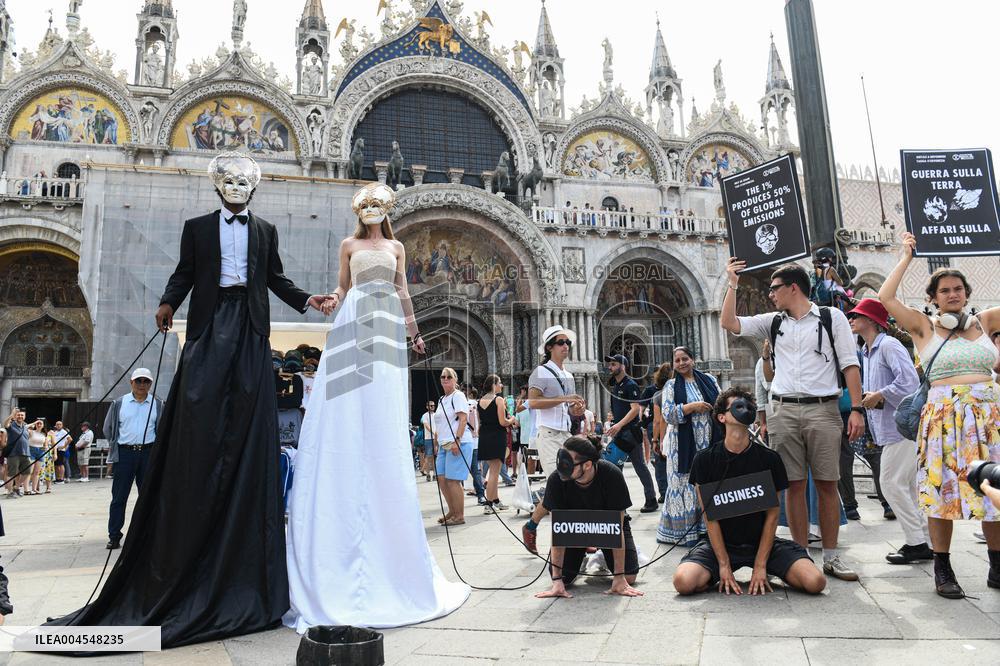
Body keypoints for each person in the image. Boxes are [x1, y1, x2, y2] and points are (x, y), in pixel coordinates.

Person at [48, 152, 332, 646]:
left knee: (248, 401)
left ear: (253, 188)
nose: (238, 189)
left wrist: (309, 300)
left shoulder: (265, 230)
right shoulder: (198, 227)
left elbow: (275, 280)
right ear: (219, 188)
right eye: (231, 183)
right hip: (208, 320)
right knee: (198, 398)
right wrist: (167, 303)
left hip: (250, 322)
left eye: (245, 183)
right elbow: (184, 273)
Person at [284, 183, 469, 631]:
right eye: (363, 205)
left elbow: (404, 290)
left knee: (384, 395)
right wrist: (331, 300)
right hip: (355, 317)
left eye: (376, 206)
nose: (369, 211)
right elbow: (344, 287)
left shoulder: (396, 246)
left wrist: (414, 332)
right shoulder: (348, 244)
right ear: (357, 211)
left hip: (386, 318)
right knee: (349, 394)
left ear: (385, 210)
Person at [722, 258, 863, 582]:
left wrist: (857, 408)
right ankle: (799, 557)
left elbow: (849, 364)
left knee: (828, 484)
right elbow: (729, 323)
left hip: (823, 409)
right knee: (793, 485)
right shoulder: (773, 321)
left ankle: (831, 555)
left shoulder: (832, 318)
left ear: (793, 287)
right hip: (783, 410)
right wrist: (732, 282)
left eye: (774, 288)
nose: (770, 294)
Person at [878, 231, 1000, 598]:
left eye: (958, 289)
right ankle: (943, 569)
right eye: (944, 290)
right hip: (943, 420)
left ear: (967, 293)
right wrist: (906, 257)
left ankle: (997, 565)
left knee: (994, 493)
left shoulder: (986, 322)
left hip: (987, 419)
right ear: (932, 298)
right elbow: (885, 298)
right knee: (941, 493)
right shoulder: (923, 327)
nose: (952, 294)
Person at [672, 389, 827, 596]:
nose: (745, 409)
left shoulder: (770, 459)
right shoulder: (704, 460)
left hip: (763, 543)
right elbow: (711, 518)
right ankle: (717, 572)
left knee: (815, 582)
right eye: (738, 406)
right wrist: (724, 565)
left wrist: (761, 564)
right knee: (683, 582)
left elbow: (772, 515)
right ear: (722, 417)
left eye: (749, 406)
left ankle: (772, 568)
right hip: (722, 544)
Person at [846, 298, 928, 563]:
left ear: (871, 320)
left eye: (856, 315)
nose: (851, 318)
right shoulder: (868, 351)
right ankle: (924, 539)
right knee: (906, 485)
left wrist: (879, 394)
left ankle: (916, 542)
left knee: (890, 484)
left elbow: (909, 382)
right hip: (887, 428)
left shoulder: (889, 345)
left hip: (900, 428)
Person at [534, 436, 644, 599]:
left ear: (587, 465)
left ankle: (603, 556)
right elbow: (558, 530)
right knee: (563, 578)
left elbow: (617, 528)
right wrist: (557, 580)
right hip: (573, 530)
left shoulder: (612, 475)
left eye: (568, 463)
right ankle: (583, 553)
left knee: (629, 577)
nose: (562, 467)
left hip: (608, 529)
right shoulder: (557, 480)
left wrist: (619, 578)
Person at [521, 325, 585, 554]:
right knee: (559, 484)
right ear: (549, 347)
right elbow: (533, 402)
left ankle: (532, 525)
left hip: (566, 434)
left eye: (568, 342)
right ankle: (565, 540)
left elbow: (570, 411)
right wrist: (565, 398)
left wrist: (577, 409)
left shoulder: (568, 375)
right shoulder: (541, 372)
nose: (565, 346)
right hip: (547, 434)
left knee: (574, 482)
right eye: (560, 342)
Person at [657, 346, 721, 544]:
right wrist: (692, 407)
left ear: (693, 360)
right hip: (682, 445)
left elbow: (722, 403)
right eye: (677, 360)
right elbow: (667, 414)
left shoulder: (709, 380)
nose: (682, 363)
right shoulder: (670, 385)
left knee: (706, 481)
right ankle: (687, 533)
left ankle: (707, 529)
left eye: (685, 358)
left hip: (708, 440)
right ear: (673, 364)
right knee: (684, 482)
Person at [101, 368, 162, 549]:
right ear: (131, 382)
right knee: (119, 497)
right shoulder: (119, 403)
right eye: (138, 381)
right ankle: (114, 535)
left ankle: (147, 534)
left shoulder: (158, 405)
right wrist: (115, 450)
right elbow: (108, 428)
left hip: (148, 453)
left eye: (146, 381)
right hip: (125, 454)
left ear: (150, 384)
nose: (142, 384)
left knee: (148, 496)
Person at [605, 354, 658, 512]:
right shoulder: (616, 386)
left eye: (614, 364)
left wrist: (618, 426)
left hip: (629, 434)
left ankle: (648, 500)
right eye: (610, 364)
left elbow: (635, 409)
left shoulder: (630, 385)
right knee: (618, 467)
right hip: (621, 433)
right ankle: (622, 505)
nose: (610, 367)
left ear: (623, 366)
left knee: (626, 466)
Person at [478, 374, 516, 513]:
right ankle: (489, 503)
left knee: (494, 470)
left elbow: (479, 423)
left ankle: (495, 500)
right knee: (494, 472)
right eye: (500, 383)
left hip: (485, 437)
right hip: (496, 436)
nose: (502, 385)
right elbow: (502, 422)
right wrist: (512, 419)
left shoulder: (480, 400)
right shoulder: (498, 399)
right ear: (494, 385)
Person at [648, 362, 672, 503]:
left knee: (661, 465)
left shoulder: (658, 395)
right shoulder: (680, 391)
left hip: (666, 436)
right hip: (680, 434)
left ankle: (664, 493)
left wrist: (656, 440)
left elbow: (658, 421)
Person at [3, 409, 30, 497]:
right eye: (18, 415)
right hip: (13, 454)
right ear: (15, 416)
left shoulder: (25, 427)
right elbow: (5, 424)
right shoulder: (12, 425)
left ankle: (16, 488)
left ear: (24, 417)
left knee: (27, 472)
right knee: (12, 474)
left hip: (25, 453)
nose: (20, 417)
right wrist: (12, 414)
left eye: (22, 415)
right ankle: (10, 492)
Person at [419, 401, 436, 481]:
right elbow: (426, 426)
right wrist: (434, 432)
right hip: (428, 438)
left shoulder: (436, 415)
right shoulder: (425, 416)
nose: (432, 407)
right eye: (431, 405)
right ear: (427, 407)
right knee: (429, 456)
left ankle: (435, 474)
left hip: (436, 438)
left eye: (433, 405)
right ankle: (428, 474)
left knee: (436, 456)